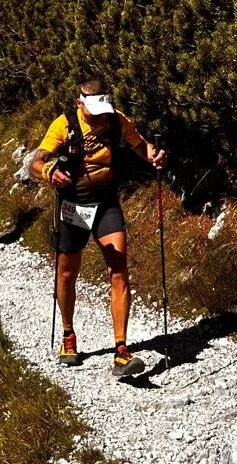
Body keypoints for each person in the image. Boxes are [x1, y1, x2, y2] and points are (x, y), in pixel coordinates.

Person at [31, 77, 166, 378]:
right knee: (67, 272)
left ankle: (121, 350)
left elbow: (140, 145)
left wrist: (153, 155)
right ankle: (68, 334)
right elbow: (35, 163)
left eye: (104, 108)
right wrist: (50, 171)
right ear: (79, 103)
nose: (101, 115)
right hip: (73, 205)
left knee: (119, 269)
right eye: (94, 110)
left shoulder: (116, 120)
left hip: (106, 202)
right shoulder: (63, 125)